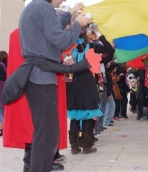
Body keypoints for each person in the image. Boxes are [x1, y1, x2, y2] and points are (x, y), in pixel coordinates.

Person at [18, 0, 90, 171]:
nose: (64, 0)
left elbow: (52, 29)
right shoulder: (44, 7)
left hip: (36, 76)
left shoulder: (33, 7)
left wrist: (71, 12)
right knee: (47, 136)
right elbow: (60, 40)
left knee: (43, 133)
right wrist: (78, 25)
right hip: (41, 78)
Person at [0, 50, 7, 137]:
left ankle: (1, 129)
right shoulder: (7, 65)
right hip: (6, 86)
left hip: (0, 85)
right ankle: (5, 129)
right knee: (4, 109)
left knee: (0, 110)